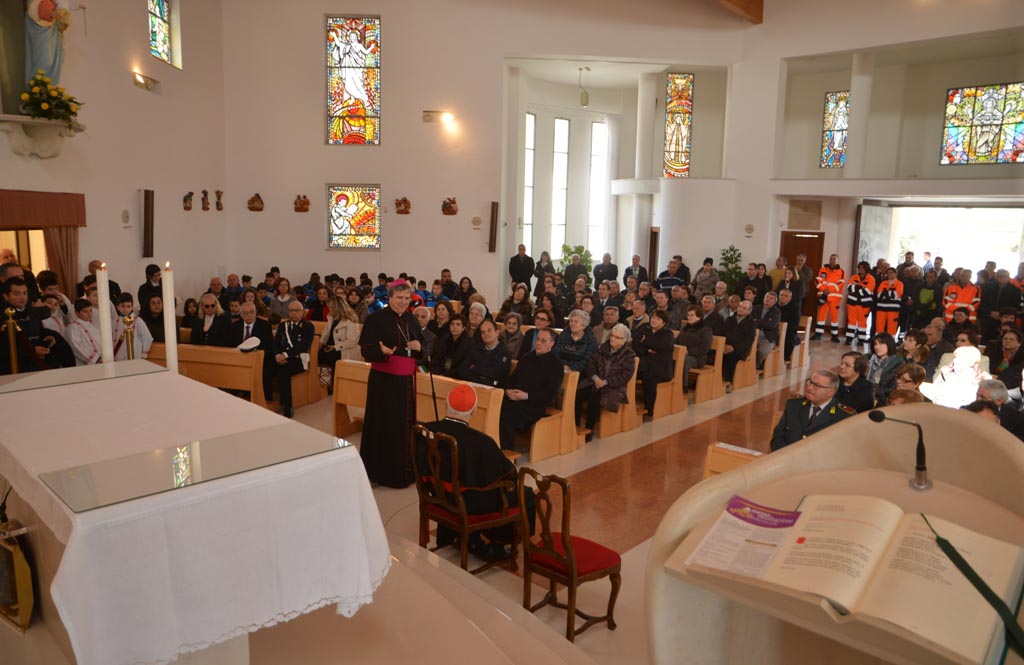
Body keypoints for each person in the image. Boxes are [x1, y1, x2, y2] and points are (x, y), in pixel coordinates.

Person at [421, 384, 535, 560]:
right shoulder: (481, 442)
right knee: (524, 494)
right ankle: (497, 546)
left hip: (436, 495)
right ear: (474, 411)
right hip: (465, 504)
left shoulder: (424, 430)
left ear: (445, 404)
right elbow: (509, 474)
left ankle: (468, 538)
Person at [359, 281, 424, 488]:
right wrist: (381, 352)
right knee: (384, 425)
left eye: (407, 298)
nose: (403, 302)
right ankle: (381, 472)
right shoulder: (375, 319)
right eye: (399, 298)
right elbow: (366, 350)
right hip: (383, 383)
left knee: (404, 426)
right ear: (390, 297)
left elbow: (423, 350)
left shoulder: (411, 319)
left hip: (406, 384)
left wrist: (419, 347)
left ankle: (405, 472)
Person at [499, 328, 564, 450]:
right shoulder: (527, 357)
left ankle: (507, 453)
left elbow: (549, 393)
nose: (538, 343)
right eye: (537, 339)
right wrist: (508, 390)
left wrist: (526, 396)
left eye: (543, 341)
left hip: (534, 404)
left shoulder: (556, 364)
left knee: (507, 414)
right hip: (515, 398)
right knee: (495, 406)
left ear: (551, 344)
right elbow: (512, 378)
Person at [575, 323, 637, 437]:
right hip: (595, 381)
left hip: (612, 386)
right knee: (577, 394)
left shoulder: (629, 355)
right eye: (612, 335)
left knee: (595, 399)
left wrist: (605, 382)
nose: (612, 338)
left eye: (617, 337)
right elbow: (591, 363)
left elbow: (625, 375)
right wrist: (595, 377)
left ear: (624, 340)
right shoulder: (603, 347)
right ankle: (576, 426)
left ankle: (588, 430)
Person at [770, 370, 853, 451]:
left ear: (830, 392)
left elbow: (841, 450)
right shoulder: (794, 405)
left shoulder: (843, 416)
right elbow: (778, 435)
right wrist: (786, 455)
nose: (809, 388)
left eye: (816, 386)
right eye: (810, 382)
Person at [229, 301, 275, 400]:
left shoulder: (265, 326)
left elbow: (268, 347)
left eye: (251, 312)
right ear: (241, 314)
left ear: (256, 312)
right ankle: (233, 399)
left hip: (259, 360)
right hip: (239, 360)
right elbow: (230, 345)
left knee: (266, 372)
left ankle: (264, 400)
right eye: (245, 313)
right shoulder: (234, 327)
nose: (249, 315)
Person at [633, 310, 674, 415]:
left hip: (660, 368)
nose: (654, 321)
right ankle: (629, 407)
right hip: (645, 365)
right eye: (653, 318)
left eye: (658, 319)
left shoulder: (668, 334)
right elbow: (635, 343)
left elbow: (661, 346)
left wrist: (645, 341)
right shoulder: (644, 329)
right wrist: (647, 350)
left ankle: (649, 410)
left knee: (649, 379)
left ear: (663, 323)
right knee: (629, 375)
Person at [924, 345, 992, 408]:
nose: (955, 360)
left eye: (960, 359)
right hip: (939, 407)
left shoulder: (982, 380)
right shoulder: (945, 372)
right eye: (955, 358)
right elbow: (935, 391)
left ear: (971, 362)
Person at [458, 319, 510, 387]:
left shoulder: (505, 352)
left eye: (489, 330)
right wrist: (482, 378)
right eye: (483, 332)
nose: (486, 334)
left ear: (497, 333)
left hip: (493, 389)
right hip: (472, 385)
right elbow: (462, 370)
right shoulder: (476, 348)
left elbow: (497, 374)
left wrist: (474, 368)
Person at [722, 300, 756, 386]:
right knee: (716, 355)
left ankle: (728, 382)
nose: (740, 309)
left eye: (744, 308)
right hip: (726, 346)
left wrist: (734, 347)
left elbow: (748, 341)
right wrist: (724, 345)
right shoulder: (729, 319)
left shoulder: (751, 323)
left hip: (740, 350)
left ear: (749, 311)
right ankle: (717, 379)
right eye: (740, 307)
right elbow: (723, 333)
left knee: (730, 356)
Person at [813, 253, 845, 342]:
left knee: (834, 317)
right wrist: (823, 290)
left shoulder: (841, 271)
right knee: (821, 316)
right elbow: (817, 281)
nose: (832, 260)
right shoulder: (823, 270)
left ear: (837, 261)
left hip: (834, 298)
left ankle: (835, 336)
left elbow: (841, 284)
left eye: (834, 259)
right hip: (823, 296)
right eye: (831, 259)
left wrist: (829, 290)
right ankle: (818, 334)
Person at [676, 304, 713, 378]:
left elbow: (704, 348)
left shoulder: (706, 330)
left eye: (692, 315)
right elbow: (677, 340)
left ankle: (682, 384)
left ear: (699, 317)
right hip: (682, 353)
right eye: (688, 315)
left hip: (697, 358)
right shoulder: (685, 327)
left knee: (682, 361)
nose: (689, 317)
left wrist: (688, 352)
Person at [112, 294, 153, 360]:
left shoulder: (138, 321)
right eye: (123, 306)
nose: (125, 309)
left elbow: (147, 337)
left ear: (132, 307)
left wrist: (144, 354)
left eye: (128, 306)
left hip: (135, 356)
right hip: (118, 356)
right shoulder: (114, 322)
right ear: (117, 307)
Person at [867, 333, 902, 406]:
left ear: (889, 345)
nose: (877, 347)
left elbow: (891, 387)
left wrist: (870, 392)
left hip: (882, 399)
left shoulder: (898, 363)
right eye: (875, 344)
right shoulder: (868, 358)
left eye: (881, 343)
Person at [845, 262, 875, 345]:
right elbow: (849, 287)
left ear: (866, 268)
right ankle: (849, 339)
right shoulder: (854, 277)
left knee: (862, 322)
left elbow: (868, 291)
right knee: (851, 321)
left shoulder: (871, 278)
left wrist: (856, 289)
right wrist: (861, 289)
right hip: (852, 302)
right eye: (859, 267)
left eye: (862, 268)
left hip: (864, 304)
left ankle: (861, 339)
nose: (860, 269)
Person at [66, 299, 104, 365]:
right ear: (76, 312)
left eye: (90, 311)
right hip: (87, 362)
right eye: (85, 311)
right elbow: (76, 347)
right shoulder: (73, 327)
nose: (89, 314)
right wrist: (96, 359)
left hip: (101, 360)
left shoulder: (95, 325)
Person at [752, 291, 781, 369]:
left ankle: (758, 365)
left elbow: (771, 325)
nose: (767, 299)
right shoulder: (755, 308)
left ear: (775, 302)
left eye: (771, 298)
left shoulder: (776, 312)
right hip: (753, 335)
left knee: (762, 350)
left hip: (767, 337)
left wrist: (757, 321)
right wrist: (764, 322)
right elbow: (750, 321)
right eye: (766, 297)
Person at [874, 267, 903, 337]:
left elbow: (897, 294)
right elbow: (879, 295)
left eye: (891, 273)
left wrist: (885, 293)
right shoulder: (883, 283)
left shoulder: (899, 283)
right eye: (888, 273)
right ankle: (879, 339)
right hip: (881, 307)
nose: (889, 274)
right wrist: (889, 294)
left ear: (896, 274)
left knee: (892, 326)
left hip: (893, 308)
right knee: (879, 325)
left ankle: (891, 340)